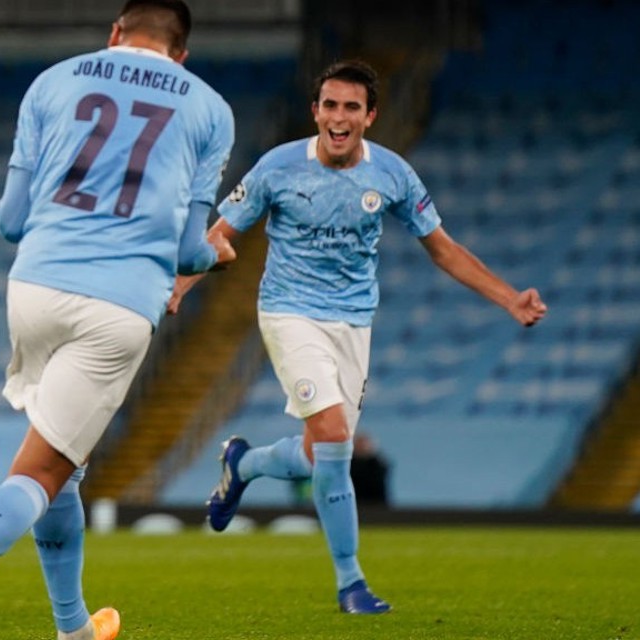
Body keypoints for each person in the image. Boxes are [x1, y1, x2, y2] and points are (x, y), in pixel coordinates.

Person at [0, 2, 235, 638]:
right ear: (181, 55)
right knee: (38, 473)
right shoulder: (208, 108)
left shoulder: (54, 82)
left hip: (34, 289)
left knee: (64, 464)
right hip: (117, 306)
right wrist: (218, 256)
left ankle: (74, 629)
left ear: (114, 34)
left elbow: (10, 221)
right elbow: (190, 251)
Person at [171, 59, 547, 614]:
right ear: (315, 111)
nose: (339, 117)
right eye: (330, 105)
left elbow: (441, 247)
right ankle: (351, 583)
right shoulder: (278, 167)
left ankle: (243, 464)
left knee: (315, 455)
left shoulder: (392, 175)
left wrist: (509, 297)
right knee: (332, 441)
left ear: (369, 116)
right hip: (288, 313)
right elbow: (220, 235)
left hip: (353, 323)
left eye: (352, 107)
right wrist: (179, 288)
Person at [350, 432, 390, 506]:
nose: (362, 447)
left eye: (364, 444)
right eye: (359, 444)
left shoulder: (378, 466)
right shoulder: (348, 468)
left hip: (376, 506)